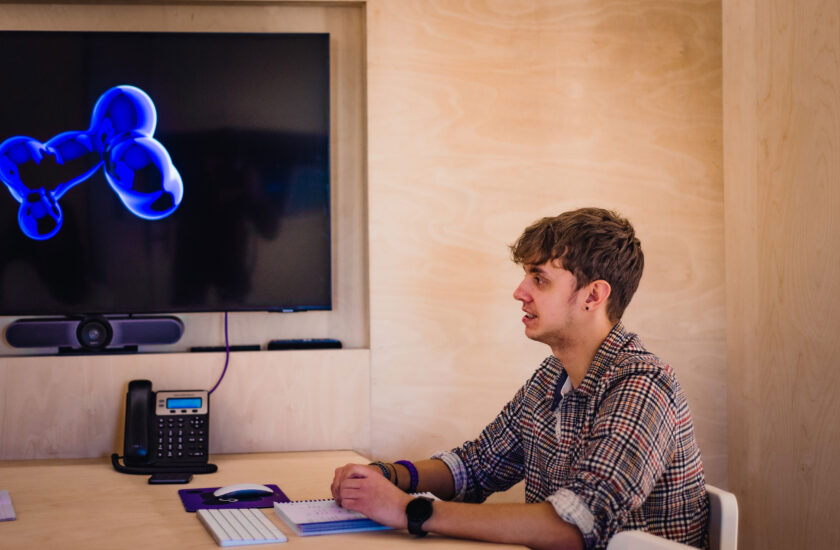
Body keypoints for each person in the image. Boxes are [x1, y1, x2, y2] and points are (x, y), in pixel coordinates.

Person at [331, 207, 709, 550]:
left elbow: (576, 527)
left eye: (539, 279)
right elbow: (476, 467)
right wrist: (386, 476)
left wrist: (409, 512)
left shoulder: (642, 384)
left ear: (593, 295)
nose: (519, 292)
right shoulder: (550, 378)